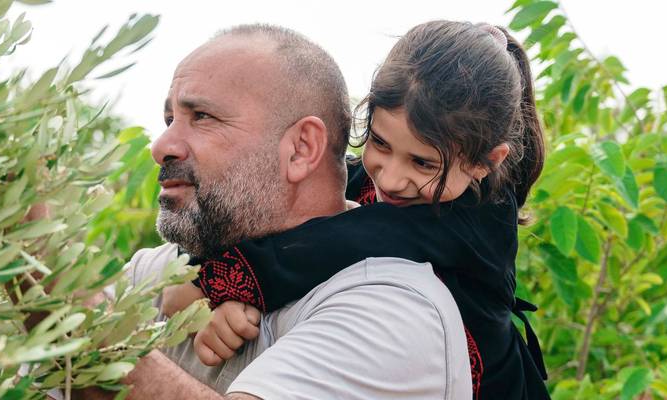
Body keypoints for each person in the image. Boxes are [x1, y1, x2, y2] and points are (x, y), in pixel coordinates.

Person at [82, 24, 472, 399]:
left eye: (202, 116)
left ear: (302, 148)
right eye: (170, 120)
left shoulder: (394, 308)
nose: (160, 145)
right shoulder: (154, 270)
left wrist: (79, 327)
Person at [165, 20, 550, 399]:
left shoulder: (480, 219)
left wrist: (210, 284)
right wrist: (212, 275)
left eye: (423, 164)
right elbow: (251, 205)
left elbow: (341, 240)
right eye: (380, 143)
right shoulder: (370, 178)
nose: (392, 179)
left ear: (485, 162)